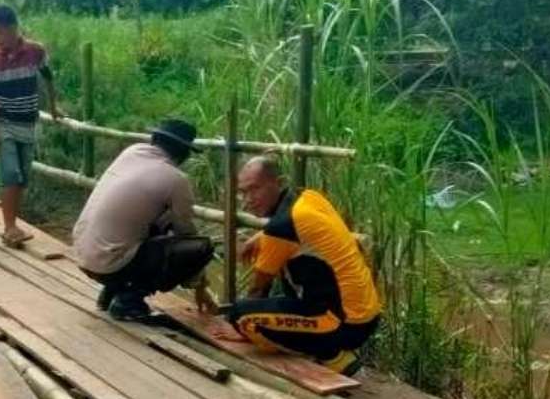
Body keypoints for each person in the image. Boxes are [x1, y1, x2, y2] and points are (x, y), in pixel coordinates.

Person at [228, 156, 381, 375]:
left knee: (240, 315)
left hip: (343, 324)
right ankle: (324, 345)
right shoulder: (308, 198)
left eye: (255, 189)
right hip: (365, 316)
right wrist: (261, 236)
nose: (248, 200)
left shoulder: (281, 228)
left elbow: (257, 289)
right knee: (289, 286)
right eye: (243, 192)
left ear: (279, 182)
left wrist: (244, 328)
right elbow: (296, 228)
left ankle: (332, 356)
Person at [73, 119, 218, 321]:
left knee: (150, 222)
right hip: (110, 264)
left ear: (154, 139)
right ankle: (129, 300)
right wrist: (201, 286)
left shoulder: (130, 153)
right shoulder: (175, 178)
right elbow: (186, 233)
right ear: (184, 152)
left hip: (82, 254)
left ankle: (113, 290)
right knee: (200, 248)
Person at [0, 5, 62, 248]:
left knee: (23, 177)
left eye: (1, 32)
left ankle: (13, 223)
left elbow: (48, 78)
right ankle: (9, 227)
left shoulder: (35, 52)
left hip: (28, 123)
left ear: (14, 28)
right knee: (11, 174)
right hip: (5, 123)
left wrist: (54, 107)